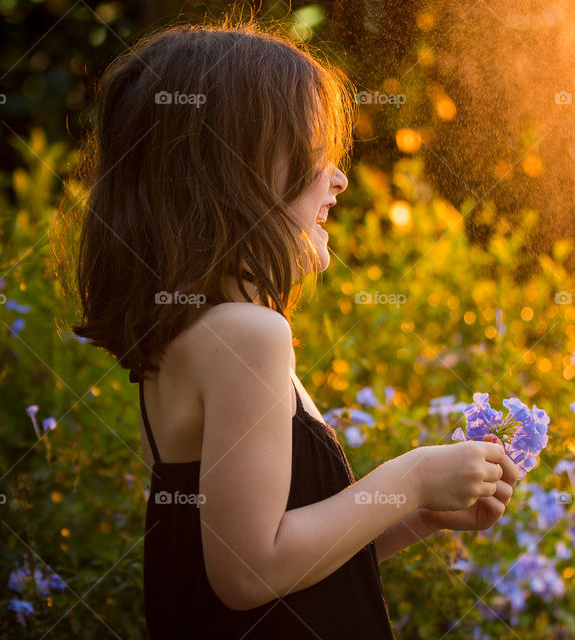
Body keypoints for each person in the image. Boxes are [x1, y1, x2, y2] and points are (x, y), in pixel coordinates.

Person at [55, 21, 520, 639]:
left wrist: (424, 512)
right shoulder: (248, 335)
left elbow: (282, 567)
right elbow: (248, 572)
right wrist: (409, 476)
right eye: (313, 149)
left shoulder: (191, 341)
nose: (340, 178)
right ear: (232, 170)